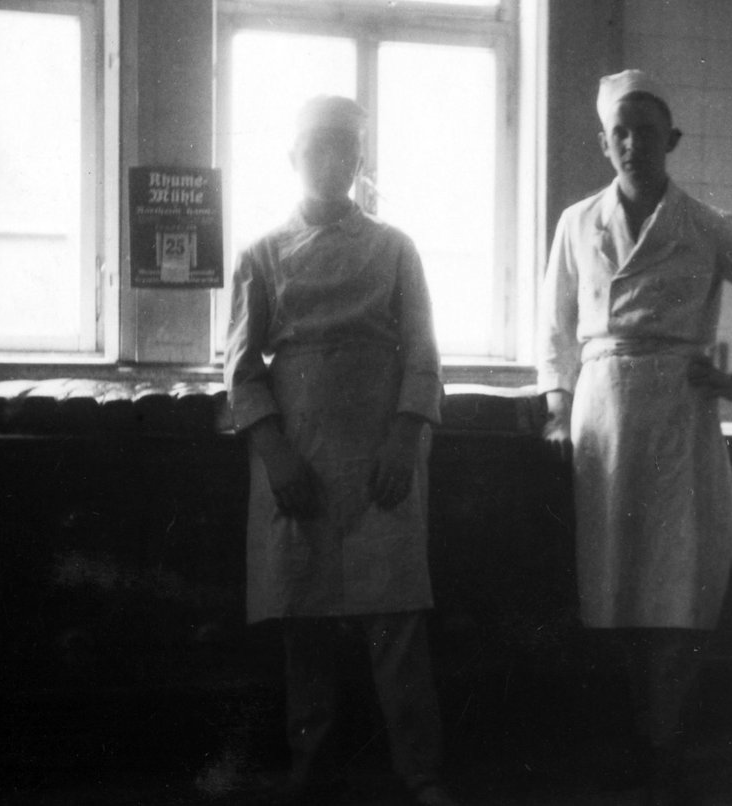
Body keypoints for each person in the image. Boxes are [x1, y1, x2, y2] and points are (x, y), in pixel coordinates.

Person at [536, 69, 732, 803]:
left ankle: (665, 746)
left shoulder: (706, 223)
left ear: (671, 140)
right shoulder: (576, 222)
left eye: (646, 131)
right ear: (602, 141)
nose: (631, 144)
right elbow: (555, 328)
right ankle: (625, 741)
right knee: (611, 588)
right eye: (619, 131)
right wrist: (557, 406)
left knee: (673, 592)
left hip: (679, 417)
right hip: (602, 417)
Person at [225, 95, 456, 806]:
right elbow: (239, 368)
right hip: (301, 458)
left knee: (397, 626)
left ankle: (423, 774)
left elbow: (422, 354)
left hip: (383, 456)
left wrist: (403, 437)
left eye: (346, 152)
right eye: (319, 150)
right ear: (294, 158)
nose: (334, 164)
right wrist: (276, 454)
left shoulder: (396, 249)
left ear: (360, 160)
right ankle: (309, 770)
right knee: (306, 625)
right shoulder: (261, 255)